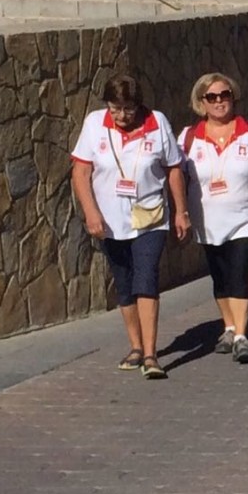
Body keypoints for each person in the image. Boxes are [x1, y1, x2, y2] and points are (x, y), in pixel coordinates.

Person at [70, 73, 190, 380]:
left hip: (151, 216)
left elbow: (173, 168)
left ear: (139, 105)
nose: (121, 116)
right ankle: (135, 347)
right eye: (115, 108)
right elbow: (81, 172)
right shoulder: (95, 124)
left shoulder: (157, 122)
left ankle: (151, 355)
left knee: (146, 278)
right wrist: (91, 213)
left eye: (128, 109)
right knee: (124, 283)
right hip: (110, 220)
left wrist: (181, 211)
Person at [178, 72, 248, 364]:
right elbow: (176, 177)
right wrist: (181, 212)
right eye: (212, 97)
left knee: (239, 271)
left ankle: (241, 338)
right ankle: (229, 326)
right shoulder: (187, 138)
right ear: (202, 102)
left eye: (225, 95)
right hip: (208, 220)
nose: (220, 101)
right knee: (220, 275)